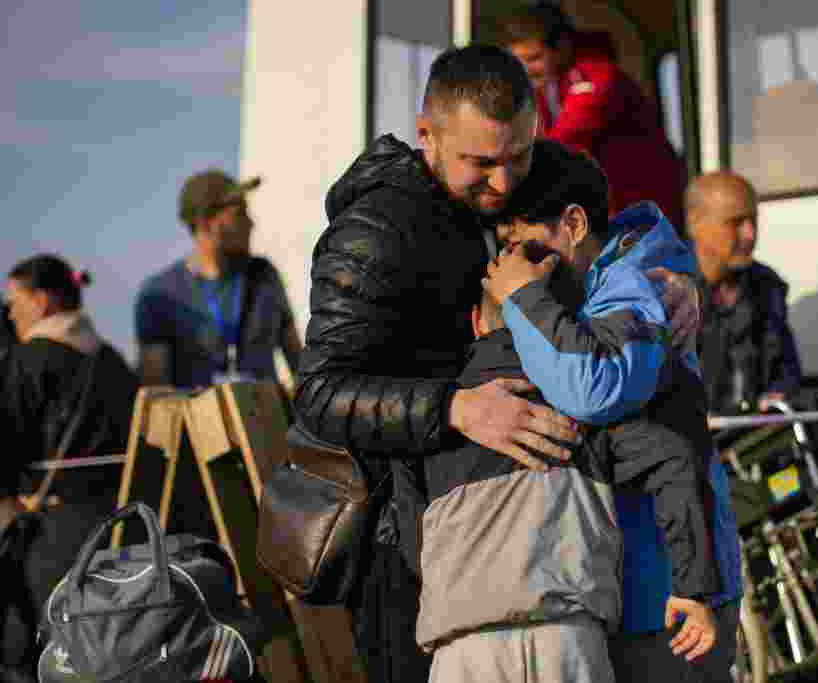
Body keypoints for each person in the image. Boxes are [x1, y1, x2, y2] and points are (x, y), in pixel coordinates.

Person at [291, 45, 701, 683]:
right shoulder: (371, 234)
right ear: (427, 137)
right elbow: (319, 393)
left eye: (520, 156)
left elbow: (606, 241)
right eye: (480, 163)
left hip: (556, 545)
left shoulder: (555, 178)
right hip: (409, 546)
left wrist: (664, 280)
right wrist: (456, 408)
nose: (505, 184)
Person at [418, 150, 717, 683]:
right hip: (603, 611)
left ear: (574, 224)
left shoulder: (627, 294)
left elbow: (592, 387)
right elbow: (667, 454)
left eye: (525, 249)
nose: (516, 266)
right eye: (506, 255)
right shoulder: (502, 391)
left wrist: (522, 298)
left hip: (639, 601)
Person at [1, 254, 139, 674]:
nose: (10, 312)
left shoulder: (26, 361)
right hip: (122, 530)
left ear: (40, 302)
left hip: (50, 540)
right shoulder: (113, 361)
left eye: (14, 301)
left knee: (31, 657)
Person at [498, 2, 686, 229]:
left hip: (644, 213)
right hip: (610, 213)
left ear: (563, 48)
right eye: (519, 60)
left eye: (534, 58)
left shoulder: (600, 77)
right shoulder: (546, 86)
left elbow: (567, 138)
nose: (526, 68)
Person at [135, 169, 302, 389]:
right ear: (205, 224)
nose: (251, 224)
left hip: (267, 421)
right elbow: (157, 398)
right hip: (198, 423)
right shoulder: (158, 297)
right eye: (239, 214)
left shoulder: (265, 277)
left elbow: (301, 369)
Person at [687, 171, 802, 415]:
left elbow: (785, 368)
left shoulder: (766, 286)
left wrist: (777, 394)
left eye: (753, 221)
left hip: (752, 437)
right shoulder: (659, 292)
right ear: (695, 223)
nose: (750, 234)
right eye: (736, 222)